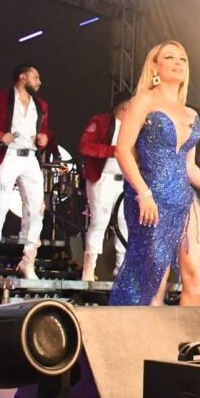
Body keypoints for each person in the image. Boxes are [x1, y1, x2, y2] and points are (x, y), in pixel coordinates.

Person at [110, 41, 200, 306]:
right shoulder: (144, 100)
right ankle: (142, 331)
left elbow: (188, 166)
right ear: (155, 66)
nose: (178, 63)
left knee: (194, 275)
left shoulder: (191, 113)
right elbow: (122, 150)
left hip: (184, 199)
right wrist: (143, 193)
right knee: (154, 277)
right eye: (170, 57)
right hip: (151, 197)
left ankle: (191, 333)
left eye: (182, 59)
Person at [0, 64, 49, 279]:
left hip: (30, 158)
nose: (39, 82)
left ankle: (28, 261)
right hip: (8, 155)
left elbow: (44, 132)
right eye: (36, 77)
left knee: (36, 209)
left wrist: (43, 138)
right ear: (22, 77)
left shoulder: (41, 105)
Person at [79, 91, 132, 281]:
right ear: (125, 106)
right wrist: (113, 151)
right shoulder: (101, 122)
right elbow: (85, 146)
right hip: (102, 179)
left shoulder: (132, 128)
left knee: (125, 223)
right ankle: (89, 269)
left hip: (124, 182)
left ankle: (121, 268)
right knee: (100, 221)